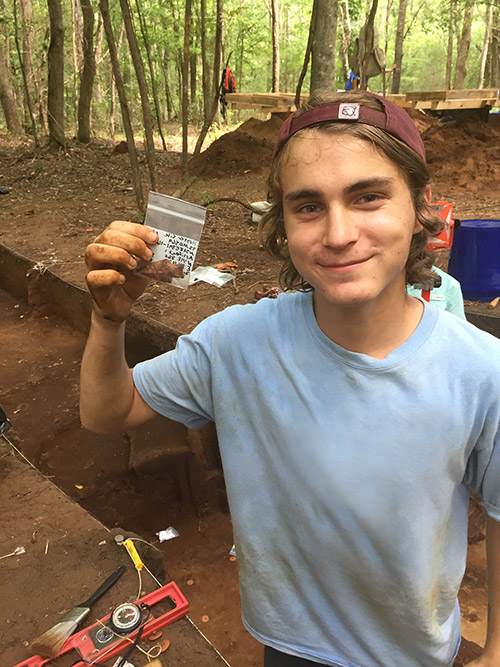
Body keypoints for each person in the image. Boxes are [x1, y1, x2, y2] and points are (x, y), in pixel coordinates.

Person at [81, 91, 500, 667]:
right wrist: (108, 319)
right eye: (308, 207)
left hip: (416, 653)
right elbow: (107, 413)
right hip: (286, 645)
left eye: (369, 197)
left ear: (422, 205)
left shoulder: (482, 372)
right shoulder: (235, 343)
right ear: (282, 222)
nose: (338, 233)